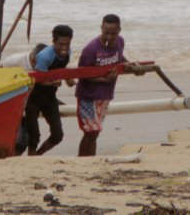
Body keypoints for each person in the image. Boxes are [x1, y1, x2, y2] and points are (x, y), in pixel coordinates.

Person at [75, 14, 134, 157]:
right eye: (106, 32)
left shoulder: (120, 42)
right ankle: (86, 161)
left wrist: (128, 64)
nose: (109, 37)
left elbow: (119, 58)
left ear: (119, 30)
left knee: (94, 132)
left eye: (113, 33)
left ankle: (86, 161)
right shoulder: (91, 49)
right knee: (91, 131)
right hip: (88, 96)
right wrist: (104, 80)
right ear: (101, 28)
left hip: (105, 95)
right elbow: (82, 74)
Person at [26, 26, 74, 156]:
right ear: (53, 42)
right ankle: (30, 159)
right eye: (61, 44)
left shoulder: (69, 52)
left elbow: (62, 71)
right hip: (34, 97)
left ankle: (37, 155)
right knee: (34, 135)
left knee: (58, 135)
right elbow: (38, 79)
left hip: (50, 98)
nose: (64, 48)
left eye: (67, 44)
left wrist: (68, 79)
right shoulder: (44, 57)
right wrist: (53, 82)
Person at [2, 43, 48, 155]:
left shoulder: (47, 62)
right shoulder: (14, 62)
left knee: (24, 141)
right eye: (35, 62)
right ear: (32, 57)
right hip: (11, 103)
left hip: (29, 101)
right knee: (18, 139)